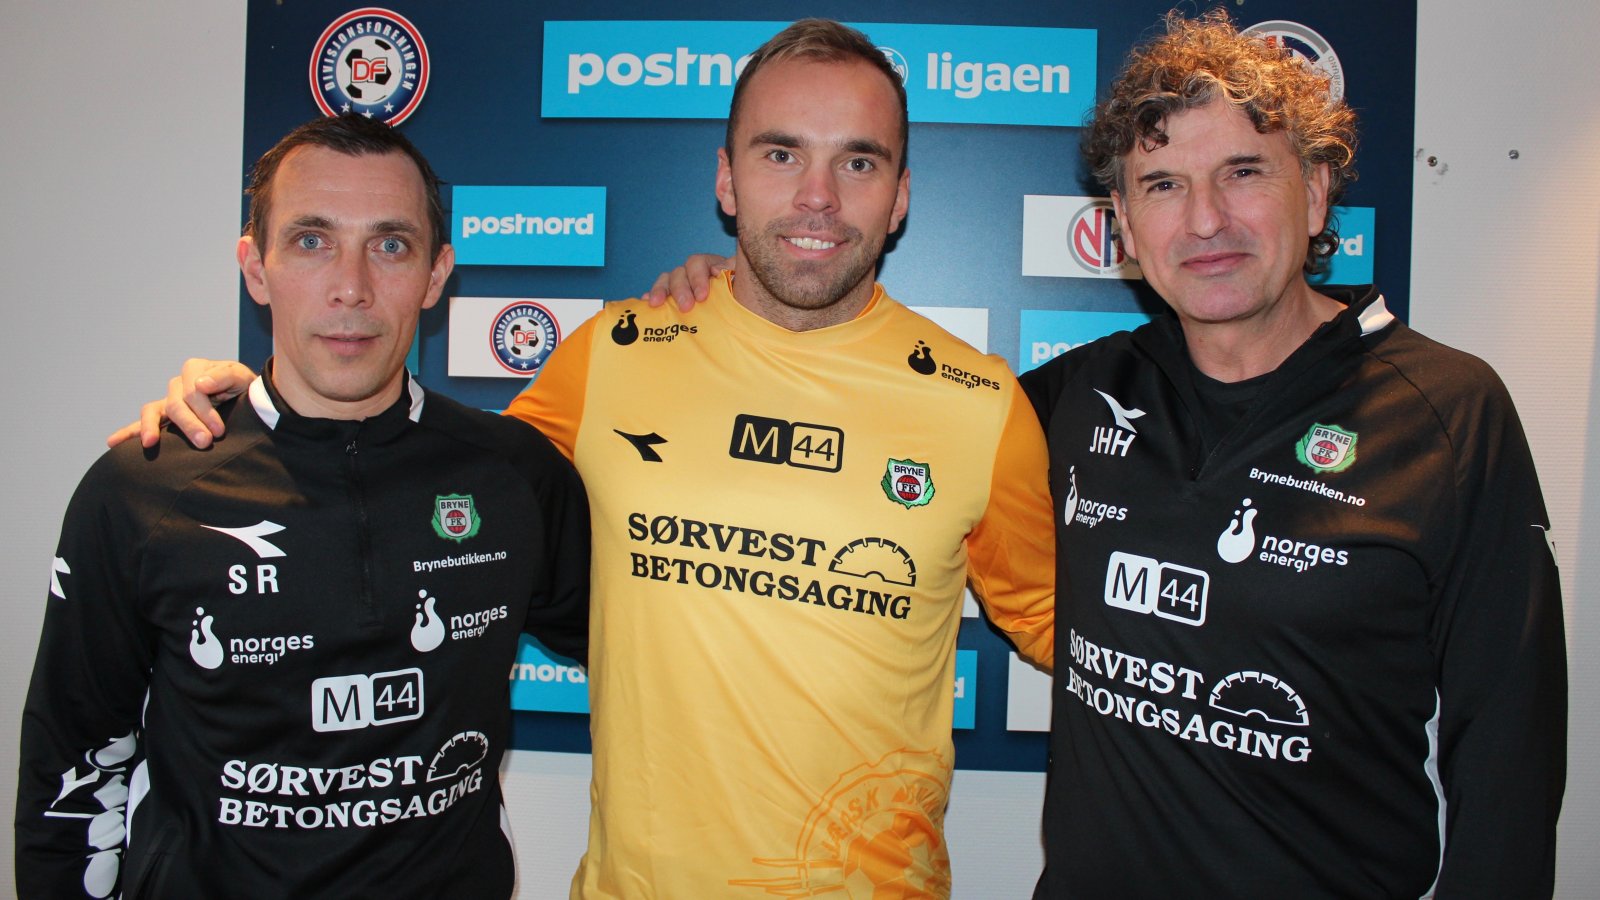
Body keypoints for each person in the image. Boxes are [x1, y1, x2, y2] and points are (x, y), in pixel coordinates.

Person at [112, 20, 1056, 899]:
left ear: (901, 195)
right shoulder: (612, 355)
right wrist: (262, 411)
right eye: (781, 154)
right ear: (726, 180)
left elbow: (1078, 637)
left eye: (858, 160)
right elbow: (425, 474)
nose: (818, 196)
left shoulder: (979, 404)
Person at [1018, 11, 1565, 897]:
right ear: (1123, 223)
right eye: (1162, 184)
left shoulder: (1449, 411)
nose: (1206, 219)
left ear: (1313, 193)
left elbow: (1509, 747)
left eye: (1243, 173)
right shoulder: (1077, 393)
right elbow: (890, 414)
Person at [18, 114, 590, 898]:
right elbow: (71, 773)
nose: (351, 286)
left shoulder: (515, 476)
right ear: (256, 269)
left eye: (391, 245)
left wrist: (726, 294)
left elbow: (657, 646)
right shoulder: (141, 490)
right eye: (312, 240)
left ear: (436, 274)